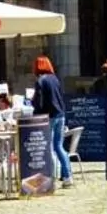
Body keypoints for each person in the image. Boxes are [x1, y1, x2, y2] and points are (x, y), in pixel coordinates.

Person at [33, 55, 72, 188]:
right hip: (60, 114)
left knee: (48, 146)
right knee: (59, 146)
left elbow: (39, 101)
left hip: (48, 116)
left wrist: (36, 113)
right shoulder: (55, 79)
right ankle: (68, 176)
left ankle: (51, 177)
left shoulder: (40, 80)